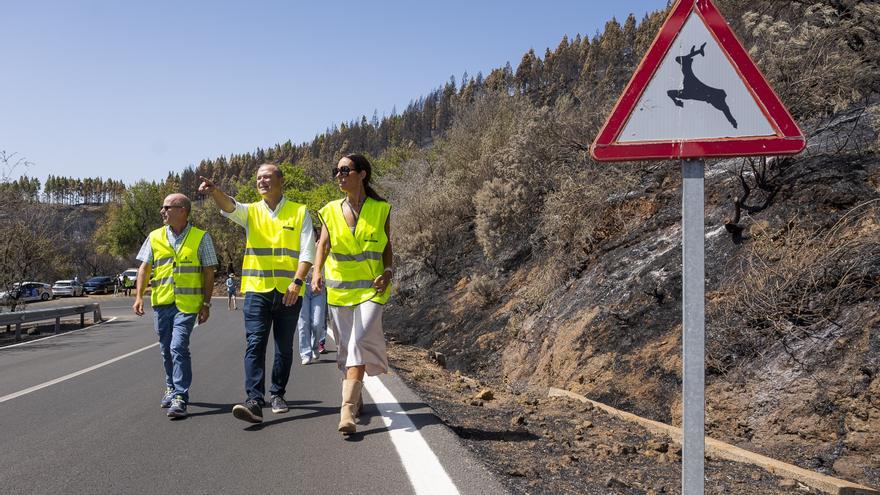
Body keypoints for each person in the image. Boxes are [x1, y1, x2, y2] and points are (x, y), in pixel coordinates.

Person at [198, 164, 314, 424]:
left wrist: (297, 282)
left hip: (289, 292)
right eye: (258, 177)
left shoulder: (299, 212)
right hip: (256, 291)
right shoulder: (251, 211)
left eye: (267, 177)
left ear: (280, 181)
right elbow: (230, 206)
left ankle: (278, 394)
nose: (261, 181)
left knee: (284, 347)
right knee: (255, 343)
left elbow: (308, 252)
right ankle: (254, 400)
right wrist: (215, 191)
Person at [312, 154, 393, 434]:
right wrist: (316, 272)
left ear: (362, 174)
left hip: (372, 289)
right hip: (340, 290)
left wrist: (390, 270)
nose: (339, 175)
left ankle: (346, 411)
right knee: (346, 350)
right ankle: (355, 397)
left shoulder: (381, 209)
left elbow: (386, 246)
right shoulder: (330, 210)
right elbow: (323, 244)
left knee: (359, 341)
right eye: (336, 170)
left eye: (345, 170)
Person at [132, 193, 217, 419]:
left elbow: (209, 272)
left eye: (166, 207)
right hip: (162, 302)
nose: (162, 211)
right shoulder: (154, 236)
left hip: (187, 305)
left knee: (178, 347)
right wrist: (139, 296)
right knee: (165, 348)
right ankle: (170, 387)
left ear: (182, 210)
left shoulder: (201, 237)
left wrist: (206, 303)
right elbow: (144, 268)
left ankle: (180, 396)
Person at [297, 231, 327, 365]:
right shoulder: (298, 247)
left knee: (317, 323)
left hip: (319, 288)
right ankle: (305, 353)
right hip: (302, 287)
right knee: (303, 323)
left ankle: (315, 346)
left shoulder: (322, 248)